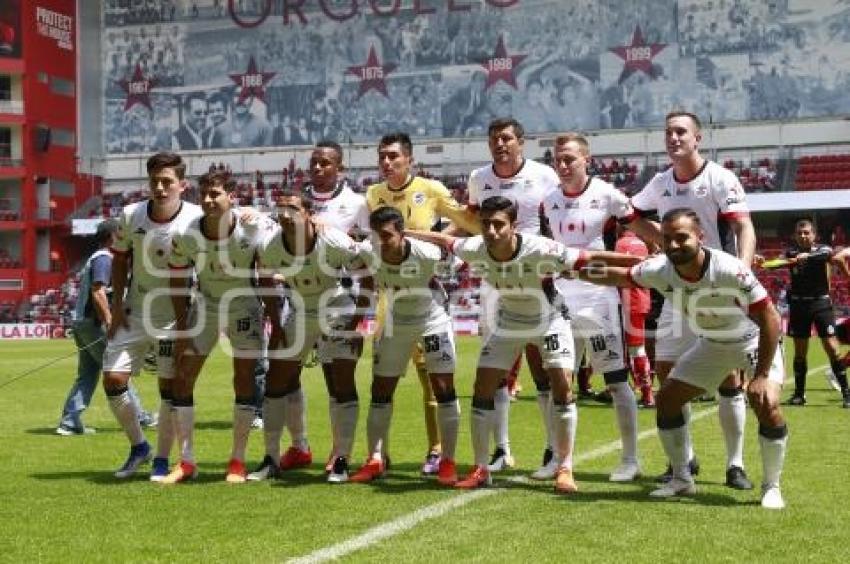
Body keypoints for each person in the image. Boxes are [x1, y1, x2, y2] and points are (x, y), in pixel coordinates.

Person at [407, 196, 639, 492]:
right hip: (509, 322)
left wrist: (636, 263)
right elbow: (443, 240)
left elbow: (588, 259)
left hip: (549, 320)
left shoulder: (539, 248)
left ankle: (565, 468)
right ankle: (480, 468)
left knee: (562, 388)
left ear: (513, 226)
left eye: (498, 225)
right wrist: (407, 233)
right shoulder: (474, 247)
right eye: (486, 224)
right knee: (482, 388)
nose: (491, 231)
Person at [581, 208, 789, 509]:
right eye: (667, 239)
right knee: (667, 401)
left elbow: (770, 318)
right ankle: (681, 479)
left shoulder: (730, 268)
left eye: (682, 237)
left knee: (766, 403)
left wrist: (760, 375)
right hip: (713, 343)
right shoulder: (660, 268)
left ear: (700, 237)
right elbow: (622, 276)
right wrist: (571, 269)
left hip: (751, 340)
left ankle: (772, 486)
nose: (674, 245)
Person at [626, 110, 757, 491]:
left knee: (730, 381)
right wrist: (660, 241)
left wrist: (742, 277)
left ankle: (735, 464)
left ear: (697, 138)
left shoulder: (719, 178)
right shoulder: (660, 182)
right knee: (669, 376)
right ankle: (683, 462)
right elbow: (630, 216)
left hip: (719, 291)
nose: (674, 137)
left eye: (681, 131)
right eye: (668, 132)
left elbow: (743, 226)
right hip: (677, 292)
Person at [365, 132, 479, 475]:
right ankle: (378, 455)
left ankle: (438, 451)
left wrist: (434, 242)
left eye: (393, 156)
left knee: (432, 377)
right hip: (391, 298)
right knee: (382, 378)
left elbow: (470, 227)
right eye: (382, 156)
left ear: (409, 159)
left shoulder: (432, 189)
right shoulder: (372, 194)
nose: (387, 162)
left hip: (426, 292)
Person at [162, 170, 276, 484]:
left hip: (245, 306)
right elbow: (176, 279)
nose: (210, 200)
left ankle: (237, 460)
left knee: (243, 379)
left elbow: (284, 241)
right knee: (182, 378)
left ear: (231, 197)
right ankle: (185, 462)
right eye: (206, 195)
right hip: (207, 307)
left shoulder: (252, 227)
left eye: (216, 194)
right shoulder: (187, 234)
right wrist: (183, 328)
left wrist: (275, 316)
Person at [250, 190, 372, 482]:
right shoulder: (271, 244)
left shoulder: (333, 239)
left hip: (338, 309)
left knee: (341, 384)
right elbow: (265, 278)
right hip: (301, 311)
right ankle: (271, 458)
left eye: (292, 208)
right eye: (280, 209)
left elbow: (367, 277)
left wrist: (356, 322)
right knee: (277, 381)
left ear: (308, 213)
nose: (285, 215)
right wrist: (276, 324)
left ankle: (341, 458)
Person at [540, 132, 641, 482]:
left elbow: (639, 227)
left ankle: (630, 459)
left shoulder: (608, 196)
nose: (563, 165)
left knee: (615, 380)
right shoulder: (548, 201)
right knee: (559, 380)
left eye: (569, 158)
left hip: (600, 299)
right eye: (558, 159)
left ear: (587, 159)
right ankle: (557, 458)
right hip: (561, 299)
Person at [465, 118, 560, 477]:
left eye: (506, 139)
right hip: (494, 278)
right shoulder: (478, 178)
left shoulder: (544, 176)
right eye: (493, 139)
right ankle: (501, 450)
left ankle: (553, 449)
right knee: (496, 369)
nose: (499, 144)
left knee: (543, 367)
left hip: (535, 276)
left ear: (521, 142)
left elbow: (553, 219)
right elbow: (473, 221)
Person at [101, 152, 203, 479]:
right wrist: (116, 308)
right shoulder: (131, 215)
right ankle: (138, 447)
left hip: (175, 314)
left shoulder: (197, 217)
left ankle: (162, 459)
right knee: (113, 379)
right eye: (154, 182)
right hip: (134, 309)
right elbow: (119, 260)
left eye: (167, 182)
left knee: (168, 388)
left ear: (182, 185)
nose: (160, 188)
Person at [348, 207, 460, 486]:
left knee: (443, 388)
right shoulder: (368, 249)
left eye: (387, 235)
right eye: (376, 235)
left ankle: (447, 460)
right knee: (380, 389)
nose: (381, 241)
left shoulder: (426, 253)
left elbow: (451, 248)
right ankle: (375, 458)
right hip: (396, 320)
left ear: (402, 233)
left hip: (431, 318)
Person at [302, 141, 370, 474]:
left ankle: (341, 451)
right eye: (314, 162)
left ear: (339, 168)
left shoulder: (356, 202)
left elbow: (372, 246)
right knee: (322, 377)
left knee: (342, 376)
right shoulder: (296, 201)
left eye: (325, 163)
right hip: (302, 299)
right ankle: (308, 446)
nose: (317, 168)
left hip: (342, 299)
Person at [56, 220, 150, 436]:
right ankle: (139, 416)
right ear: (112, 237)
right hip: (94, 323)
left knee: (87, 374)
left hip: (82, 323)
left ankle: (69, 422)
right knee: (118, 369)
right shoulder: (104, 259)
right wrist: (109, 321)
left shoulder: (98, 258)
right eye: (122, 233)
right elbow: (98, 292)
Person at [760, 219, 850, 407]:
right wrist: (763, 263)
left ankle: (846, 394)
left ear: (814, 235)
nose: (803, 236)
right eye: (799, 233)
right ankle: (799, 395)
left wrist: (803, 258)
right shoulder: (790, 253)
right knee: (800, 353)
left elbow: (825, 256)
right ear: (795, 235)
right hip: (799, 306)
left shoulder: (823, 249)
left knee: (833, 349)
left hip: (821, 305)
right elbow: (777, 263)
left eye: (806, 232)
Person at [615, 226, 655, 407]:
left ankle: (646, 394)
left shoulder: (621, 244)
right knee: (636, 348)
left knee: (633, 349)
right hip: (642, 298)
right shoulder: (642, 244)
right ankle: (643, 391)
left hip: (628, 300)